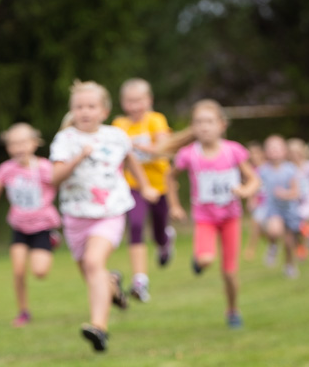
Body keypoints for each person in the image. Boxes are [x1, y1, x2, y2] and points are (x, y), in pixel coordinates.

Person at [50, 80, 159, 352]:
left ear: (104, 110)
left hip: (109, 213)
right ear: (72, 110)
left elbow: (131, 161)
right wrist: (77, 158)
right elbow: (54, 178)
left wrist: (145, 186)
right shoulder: (65, 139)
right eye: (79, 107)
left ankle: (99, 328)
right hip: (76, 216)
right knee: (92, 272)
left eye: (91, 106)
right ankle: (112, 285)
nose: (85, 111)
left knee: (93, 262)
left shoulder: (116, 136)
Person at [166, 99, 260, 328]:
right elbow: (170, 177)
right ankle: (199, 261)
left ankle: (233, 310)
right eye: (198, 122)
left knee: (229, 273)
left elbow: (254, 179)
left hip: (230, 218)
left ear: (221, 125)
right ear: (193, 127)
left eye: (209, 122)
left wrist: (245, 190)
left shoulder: (233, 151)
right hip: (205, 218)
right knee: (207, 259)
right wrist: (175, 205)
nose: (204, 127)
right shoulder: (189, 154)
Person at [0, 123, 60, 326]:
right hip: (19, 226)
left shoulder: (44, 167)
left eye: (23, 142)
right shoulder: (7, 169)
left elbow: (62, 182)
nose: (18, 148)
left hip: (42, 225)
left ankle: (52, 239)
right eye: (13, 144)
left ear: (34, 143)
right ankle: (23, 311)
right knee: (18, 271)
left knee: (40, 272)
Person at [111, 78, 174, 303]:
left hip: (158, 185)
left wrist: (135, 147)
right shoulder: (119, 124)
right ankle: (140, 280)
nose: (135, 106)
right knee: (136, 225)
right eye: (129, 101)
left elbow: (163, 147)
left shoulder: (156, 120)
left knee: (159, 229)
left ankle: (165, 241)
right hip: (133, 185)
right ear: (122, 103)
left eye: (139, 100)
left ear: (149, 100)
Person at [258, 135, 301, 278]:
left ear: (284, 151)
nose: (274, 151)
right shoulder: (263, 170)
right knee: (274, 231)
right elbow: (256, 186)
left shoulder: (290, 169)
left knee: (289, 243)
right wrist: (253, 199)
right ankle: (273, 246)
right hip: (273, 209)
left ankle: (289, 265)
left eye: (277, 148)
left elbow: (296, 192)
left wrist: (285, 194)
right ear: (266, 152)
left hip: (290, 210)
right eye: (270, 148)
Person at [244, 141, 267, 260]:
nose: (253, 156)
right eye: (251, 153)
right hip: (259, 203)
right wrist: (250, 200)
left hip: (272, 203)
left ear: (262, 153)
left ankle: (253, 248)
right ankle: (253, 248)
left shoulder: (268, 167)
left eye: (256, 153)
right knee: (256, 225)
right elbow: (250, 186)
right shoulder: (250, 169)